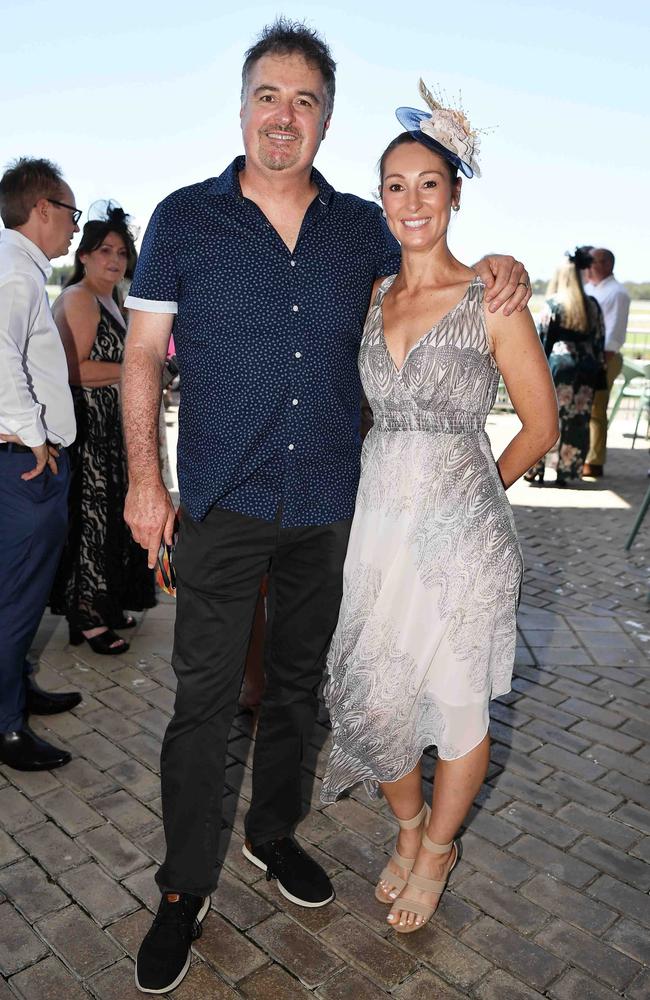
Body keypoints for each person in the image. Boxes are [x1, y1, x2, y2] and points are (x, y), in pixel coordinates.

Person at [121, 20, 532, 994]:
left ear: (325, 120)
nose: (284, 116)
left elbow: (440, 281)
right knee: (204, 702)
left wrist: (502, 265)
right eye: (269, 94)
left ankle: (271, 833)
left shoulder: (357, 227)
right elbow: (141, 356)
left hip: (330, 512)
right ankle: (182, 890)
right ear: (241, 105)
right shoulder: (182, 219)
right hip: (221, 501)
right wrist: (145, 481)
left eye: (305, 101)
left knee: (303, 688)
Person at [321, 84, 558, 933]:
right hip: (379, 529)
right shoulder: (371, 293)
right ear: (380, 196)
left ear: (455, 193)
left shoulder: (492, 298)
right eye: (395, 184)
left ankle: (439, 849)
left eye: (429, 183)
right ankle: (410, 827)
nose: (411, 200)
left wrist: (477, 492)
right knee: (373, 697)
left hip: (464, 537)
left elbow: (543, 422)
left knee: (458, 702)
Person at [0, 157, 82, 772]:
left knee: (21, 595)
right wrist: (34, 438)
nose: (75, 228)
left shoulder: (17, 267)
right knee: (17, 599)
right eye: (71, 213)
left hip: (21, 459)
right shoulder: (15, 273)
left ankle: (15, 689)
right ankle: (6, 727)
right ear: (43, 208)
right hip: (23, 465)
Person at [50, 204, 155, 654]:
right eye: (104, 251)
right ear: (85, 256)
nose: (115, 259)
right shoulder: (78, 298)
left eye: (121, 252)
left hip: (112, 427)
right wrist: (134, 371)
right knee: (91, 519)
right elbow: (71, 371)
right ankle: (86, 615)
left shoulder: (113, 297)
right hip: (87, 427)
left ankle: (104, 603)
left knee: (111, 516)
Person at [524, 250, 606, 485]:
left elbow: (542, 340)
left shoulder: (553, 304)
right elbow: (599, 340)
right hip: (587, 369)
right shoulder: (593, 306)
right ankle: (567, 472)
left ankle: (536, 469)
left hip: (559, 367)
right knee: (578, 421)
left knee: (546, 418)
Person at [583, 247, 631, 478]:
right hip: (589, 357)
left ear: (607, 264)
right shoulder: (590, 288)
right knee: (587, 408)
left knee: (596, 410)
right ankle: (584, 455)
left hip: (604, 358)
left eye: (594, 262)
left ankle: (594, 461)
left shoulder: (617, 293)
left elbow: (615, 332)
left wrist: (603, 360)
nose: (589, 266)